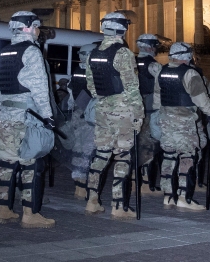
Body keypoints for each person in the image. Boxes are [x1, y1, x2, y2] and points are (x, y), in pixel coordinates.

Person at [0, 11, 57, 228]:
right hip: (28, 117)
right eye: (36, 26)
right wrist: (48, 116)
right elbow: (39, 88)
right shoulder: (31, 51)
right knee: (30, 164)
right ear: (28, 27)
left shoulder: (3, 52)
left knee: (7, 163)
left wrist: (5, 108)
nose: (38, 30)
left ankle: (3, 209)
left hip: (8, 116)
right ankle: (30, 214)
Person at [85, 11, 143, 219]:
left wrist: (104, 100)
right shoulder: (123, 53)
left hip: (102, 108)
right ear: (122, 29)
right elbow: (131, 86)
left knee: (101, 154)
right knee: (123, 156)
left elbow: (90, 85)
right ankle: (118, 205)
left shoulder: (93, 53)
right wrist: (138, 113)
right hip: (122, 108)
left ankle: (91, 200)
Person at [155, 42, 210, 210]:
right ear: (187, 56)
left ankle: (168, 196)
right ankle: (184, 197)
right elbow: (201, 100)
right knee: (187, 157)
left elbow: (157, 99)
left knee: (169, 156)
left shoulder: (162, 72)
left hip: (166, 121)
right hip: (184, 123)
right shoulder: (190, 73)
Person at [134, 33, 167, 196]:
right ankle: (146, 185)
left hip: (133, 111)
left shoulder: (132, 63)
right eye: (154, 46)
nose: (155, 49)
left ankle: (134, 181)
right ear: (149, 47)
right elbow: (162, 86)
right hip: (149, 111)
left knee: (134, 146)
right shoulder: (153, 65)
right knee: (148, 147)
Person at [67, 43, 97, 199]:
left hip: (77, 114)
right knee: (88, 152)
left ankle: (78, 187)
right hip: (90, 116)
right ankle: (85, 189)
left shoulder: (78, 70)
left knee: (78, 150)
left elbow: (71, 92)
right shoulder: (94, 71)